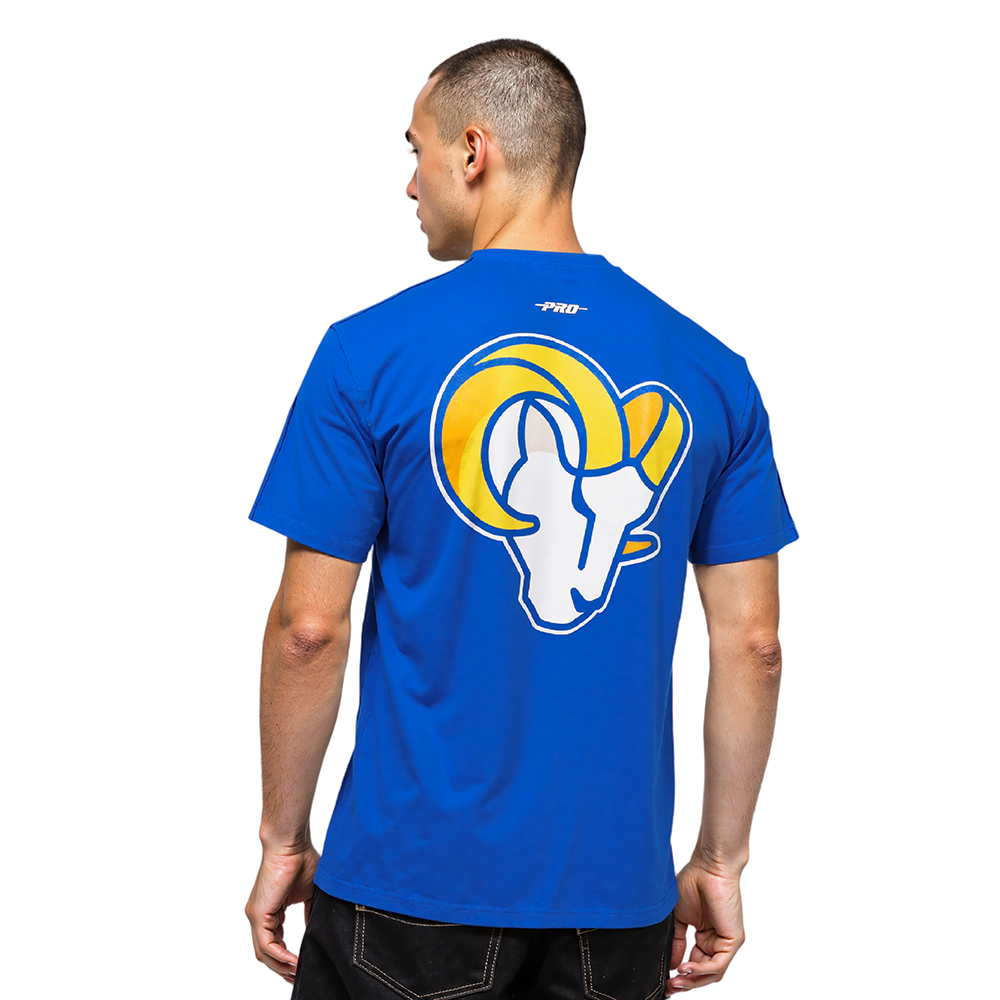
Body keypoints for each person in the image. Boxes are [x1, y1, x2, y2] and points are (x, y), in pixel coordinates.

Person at [244, 38, 798, 1000]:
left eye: (414, 149)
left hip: (407, 887)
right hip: (615, 902)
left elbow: (308, 628)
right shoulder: (712, 371)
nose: (409, 183)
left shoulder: (367, 354)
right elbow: (754, 645)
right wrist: (719, 859)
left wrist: (283, 839)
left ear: (472, 151)